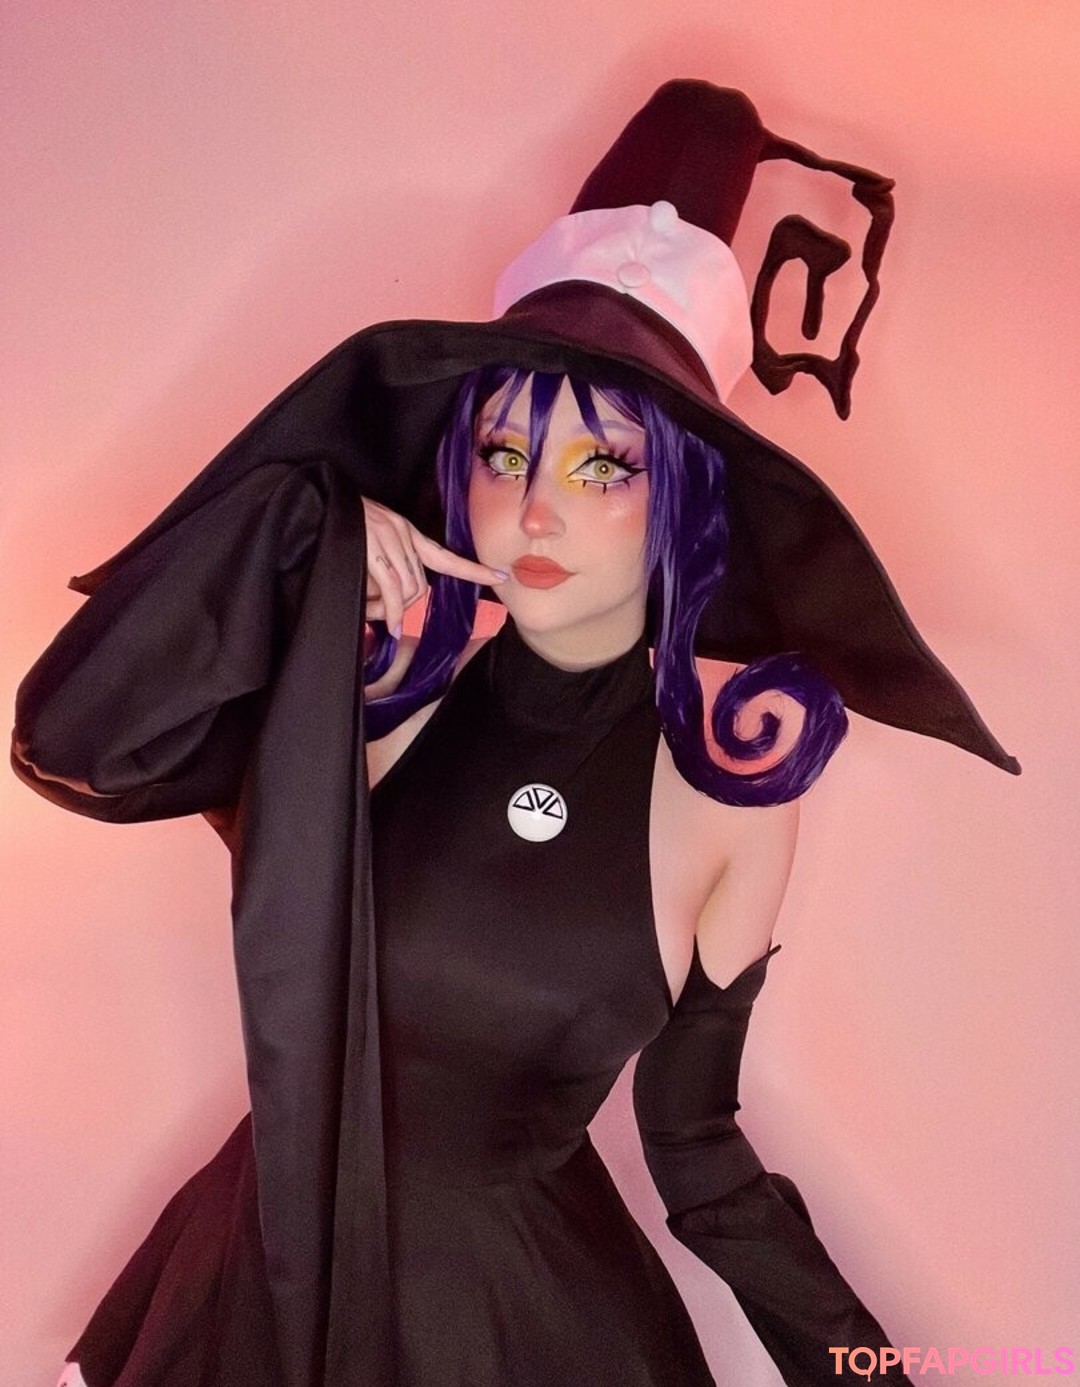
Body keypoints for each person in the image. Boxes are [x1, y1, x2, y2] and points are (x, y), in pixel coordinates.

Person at [14, 82, 1018, 1387]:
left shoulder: (727, 790)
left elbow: (699, 1153)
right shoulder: (379, 692)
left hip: (512, 1331)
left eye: (602, 466)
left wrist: (874, 1376)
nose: (536, 509)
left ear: (684, 500)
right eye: (503, 453)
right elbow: (72, 741)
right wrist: (290, 532)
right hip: (249, 1295)